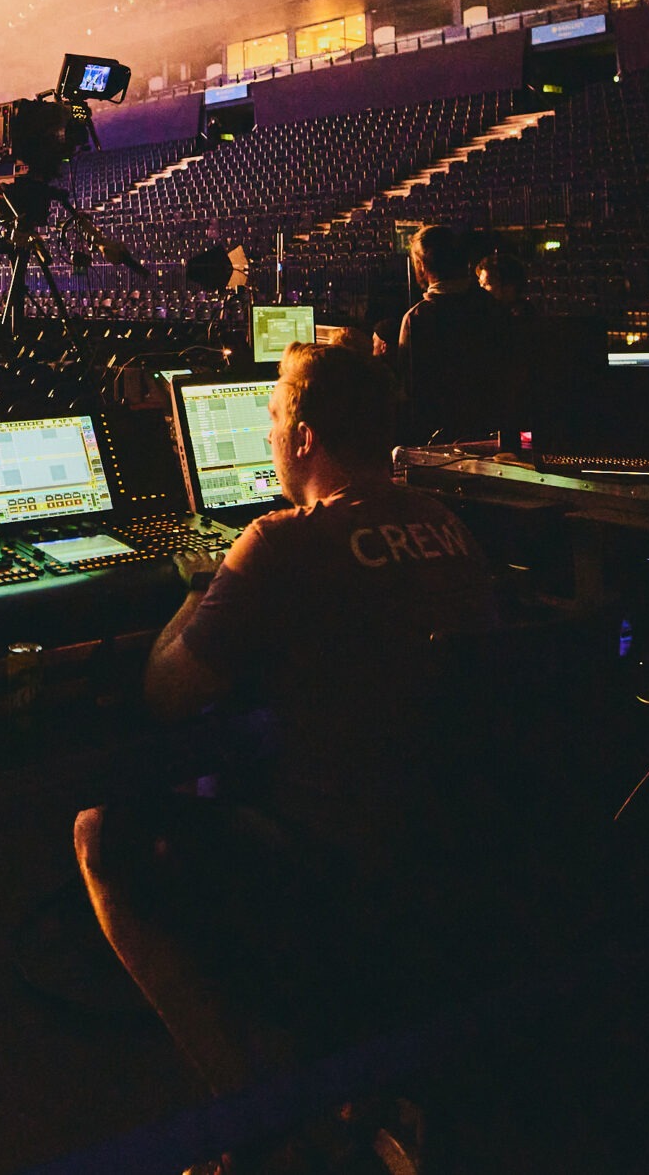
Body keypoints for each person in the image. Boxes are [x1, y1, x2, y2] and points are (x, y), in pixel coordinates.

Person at [75, 343, 497, 1105]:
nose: (268, 432)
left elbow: (167, 692)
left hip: (327, 873)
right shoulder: (447, 525)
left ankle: (255, 1119)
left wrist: (197, 593)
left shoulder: (281, 543)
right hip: (448, 858)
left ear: (304, 437)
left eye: (272, 416)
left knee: (98, 832)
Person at [392, 225, 509, 442]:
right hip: (493, 436)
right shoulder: (493, 307)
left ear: (420, 265)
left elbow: (411, 393)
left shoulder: (417, 319)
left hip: (436, 442)